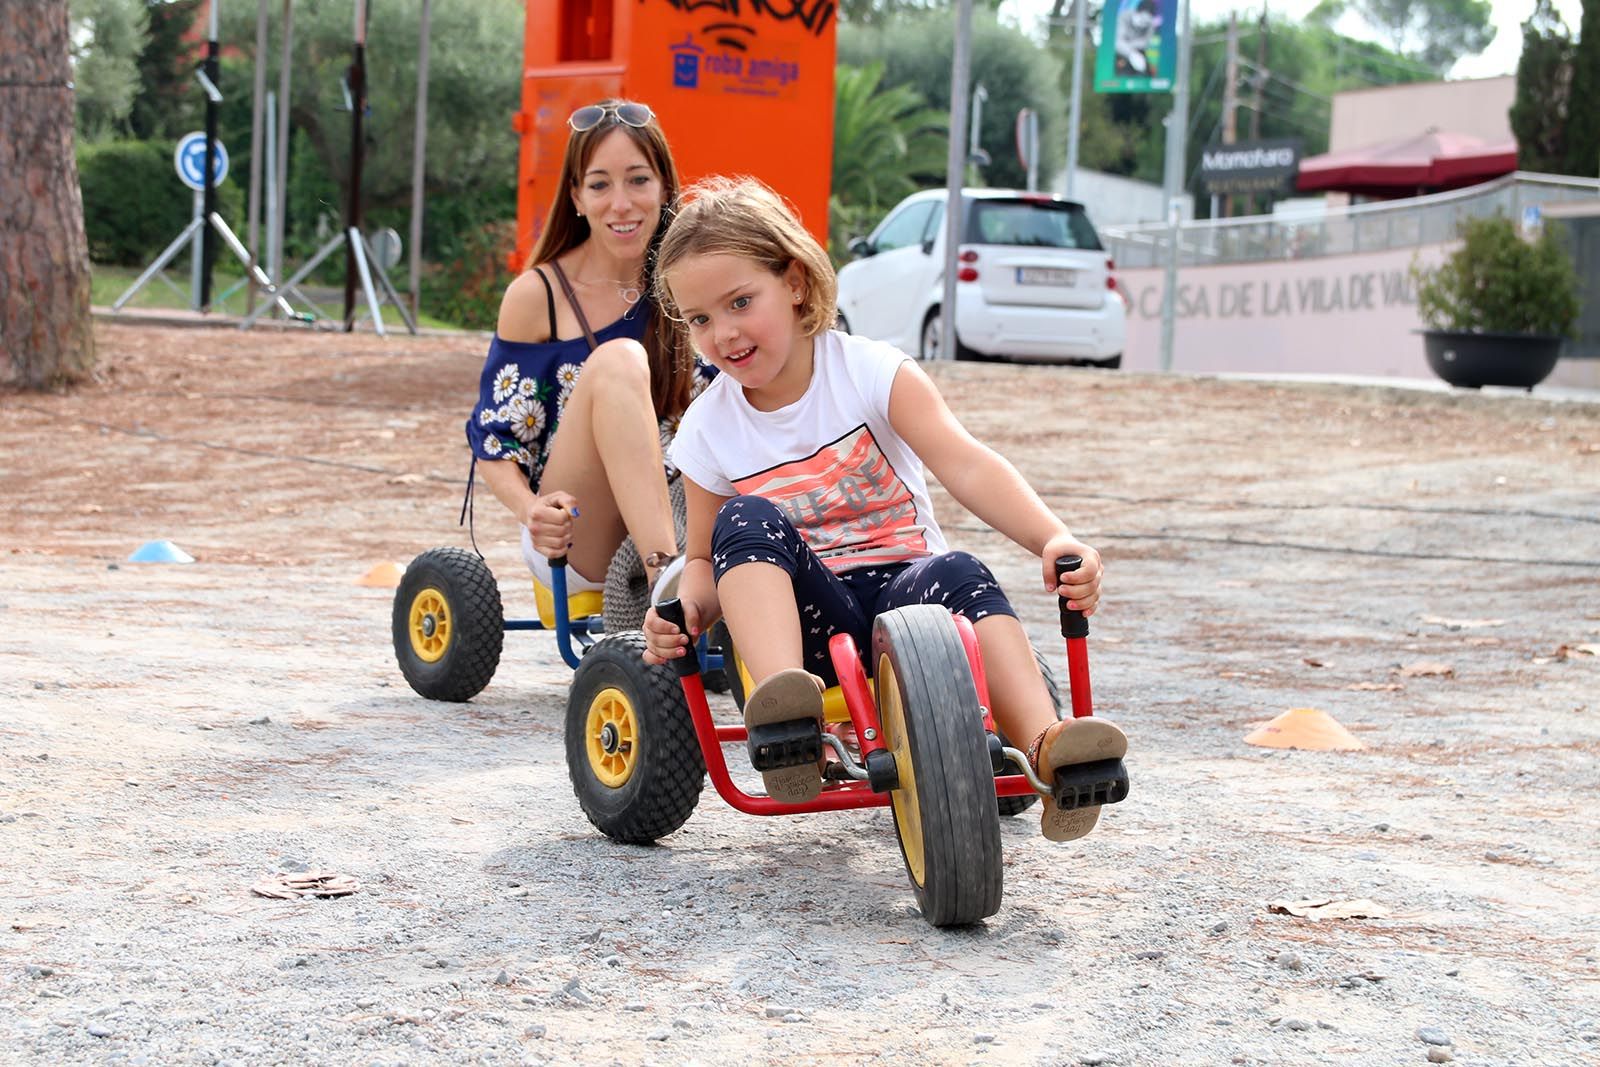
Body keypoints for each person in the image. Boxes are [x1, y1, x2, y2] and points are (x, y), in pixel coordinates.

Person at [640, 177, 1128, 842]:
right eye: (699, 319)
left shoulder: (870, 372)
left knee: (957, 568)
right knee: (743, 519)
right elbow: (702, 556)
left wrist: (1054, 537)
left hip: (908, 596)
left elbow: (965, 462)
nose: (722, 333)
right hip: (809, 622)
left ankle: (1049, 750)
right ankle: (790, 721)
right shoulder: (709, 428)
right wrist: (688, 610)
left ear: (795, 283)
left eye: (740, 302)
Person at [464, 99, 704, 603]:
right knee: (619, 360)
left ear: (664, 187)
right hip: (583, 532)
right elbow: (495, 437)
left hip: (686, 509)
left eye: (638, 180)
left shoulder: (693, 282)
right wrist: (531, 509)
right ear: (576, 197)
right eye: (600, 185)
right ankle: (667, 581)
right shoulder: (538, 297)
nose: (621, 203)